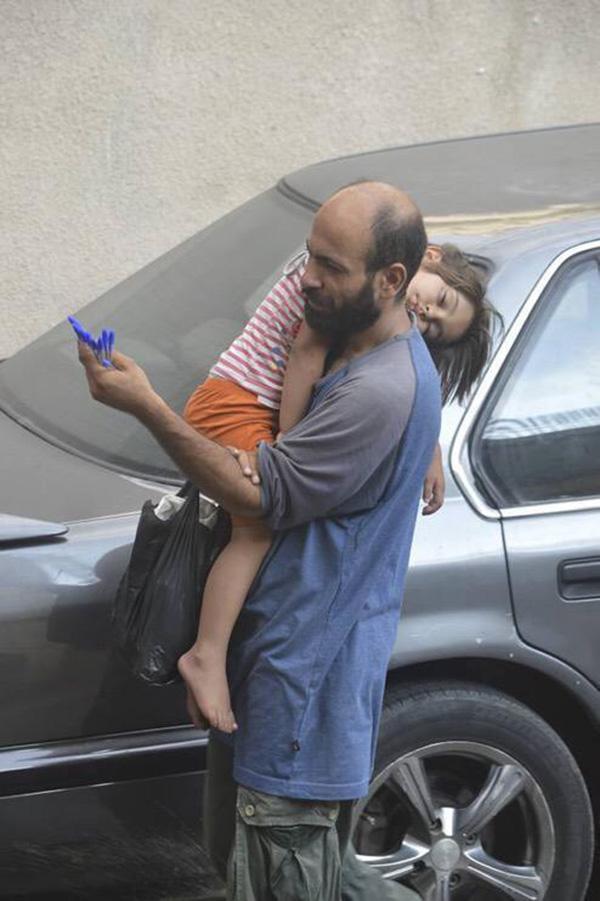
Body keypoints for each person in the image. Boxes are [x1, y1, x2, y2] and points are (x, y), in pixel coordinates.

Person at [77, 181, 469, 900]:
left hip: (299, 702)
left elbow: (260, 492)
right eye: (310, 256)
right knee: (260, 868)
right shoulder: (357, 343)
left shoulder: (380, 389)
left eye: (331, 266)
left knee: (281, 876)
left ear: (390, 280)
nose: (307, 278)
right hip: (273, 684)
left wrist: (148, 407)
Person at [179, 240, 493, 734]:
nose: (426, 314)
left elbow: (405, 371)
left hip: (252, 403)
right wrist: (290, 444)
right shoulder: (340, 288)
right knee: (256, 531)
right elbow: (306, 354)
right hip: (235, 401)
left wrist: (428, 441)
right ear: (427, 258)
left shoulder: (376, 301)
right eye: (441, 302)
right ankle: (206, 654)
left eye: (434, 324)